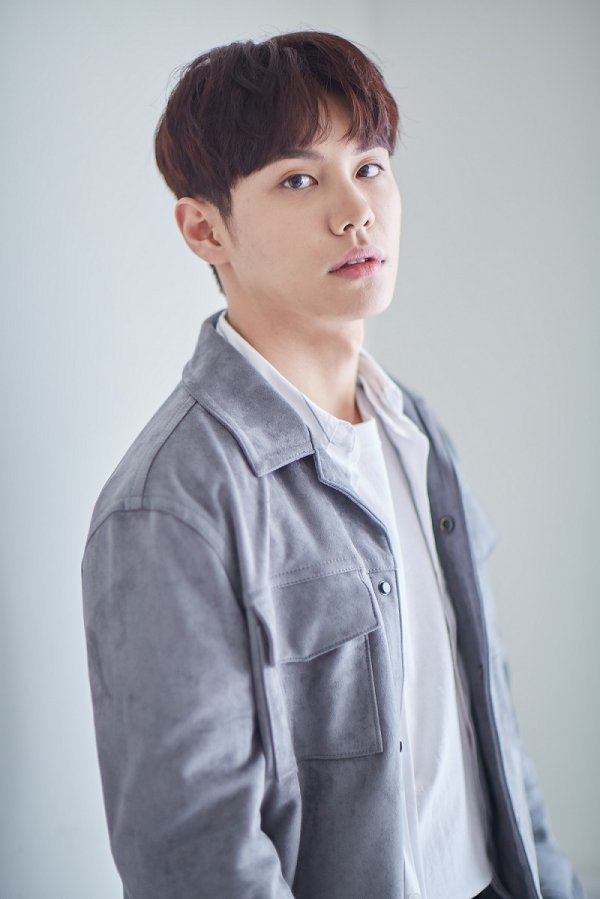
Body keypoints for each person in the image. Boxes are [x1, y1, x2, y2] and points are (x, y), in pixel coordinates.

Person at [81, 31, 584, 899]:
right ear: (204, 228)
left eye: (371, 166)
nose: (356, 211)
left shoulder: (415, 433)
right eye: (298, 180)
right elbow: (198, 858)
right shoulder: (172, 503)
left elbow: (488, 729)